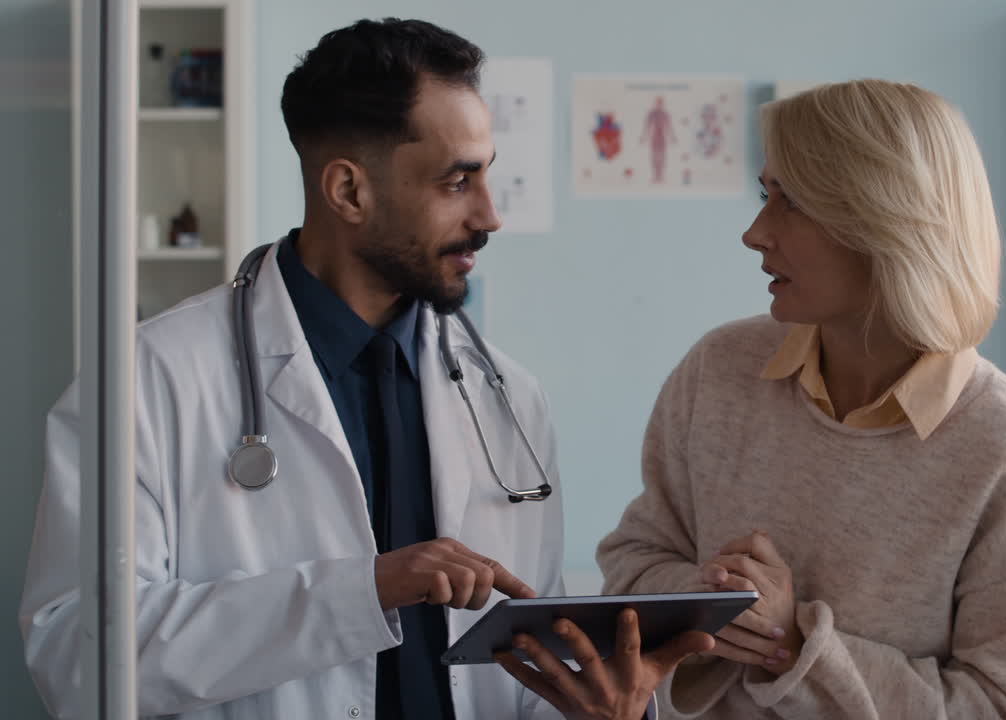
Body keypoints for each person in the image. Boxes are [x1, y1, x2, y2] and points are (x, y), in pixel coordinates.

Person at [20, 18, 704, 720]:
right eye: (457, 180)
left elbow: (519, 683)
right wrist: (366, 590)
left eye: (487, 175)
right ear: (348, 192)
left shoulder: (508, 400)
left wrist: (606, 707)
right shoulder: (148, 381)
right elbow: (79, 660)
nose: (490, 215)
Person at [597, 79, 1006, 719]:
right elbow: (632, 563)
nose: (755, 233)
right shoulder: (718, 370)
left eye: (789, 202)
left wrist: (794, 647)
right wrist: (714, 597)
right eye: (764, 195)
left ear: (885, 218)